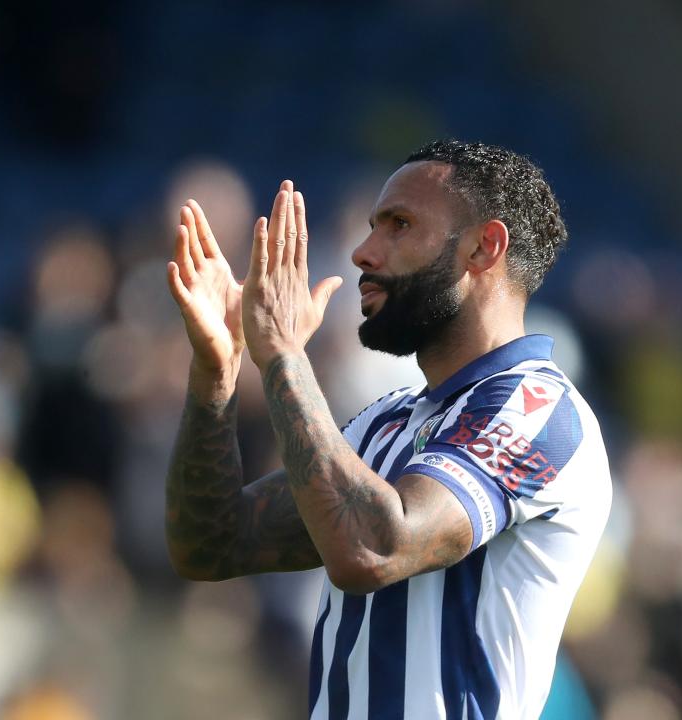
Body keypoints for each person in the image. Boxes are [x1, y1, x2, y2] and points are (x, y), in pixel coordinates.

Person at [164, 140, 612, 719]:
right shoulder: (387, 419)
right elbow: (211, 543)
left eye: (399, 225)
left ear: (484, 247)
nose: (362, 253)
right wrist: (217, 372)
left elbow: (374, 549)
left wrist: (281, 355)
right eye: (373, 226)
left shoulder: (537, 408)